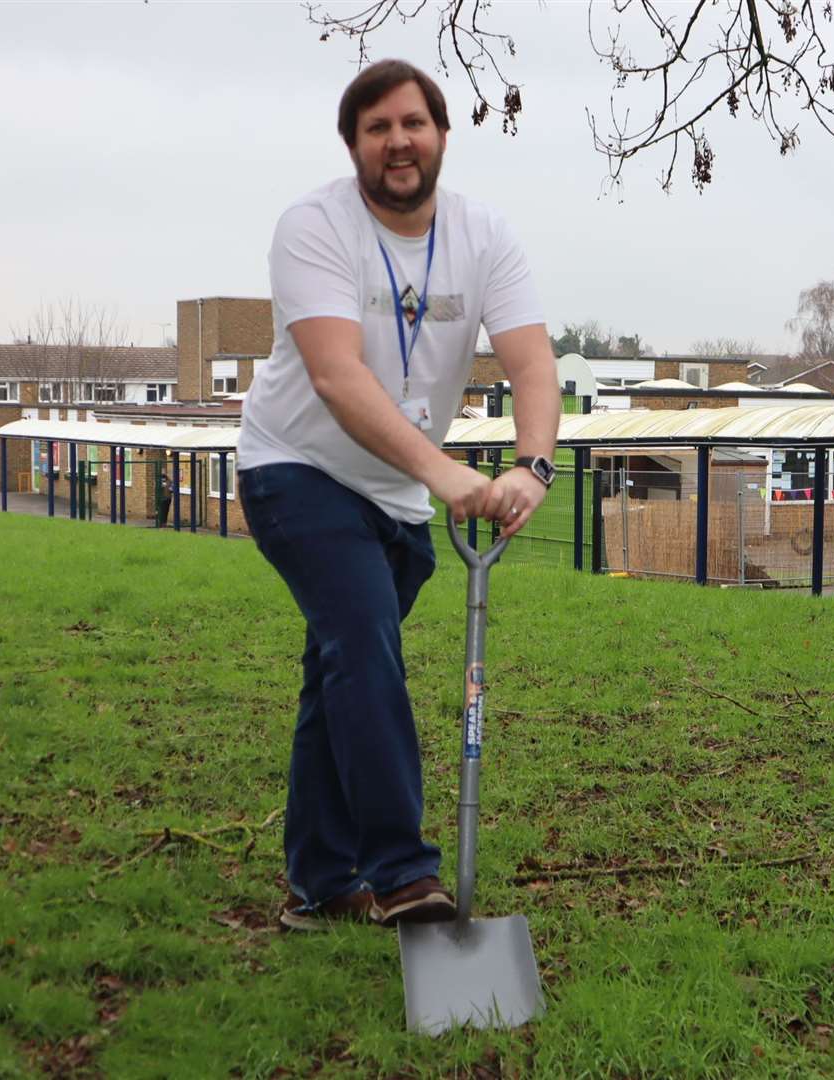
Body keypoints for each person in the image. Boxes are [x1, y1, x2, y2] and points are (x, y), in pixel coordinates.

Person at [236, 59, 560, 931]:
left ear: (442, 134)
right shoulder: (314, 227)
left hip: (400, 499)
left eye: (412, 122)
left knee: (337, 670)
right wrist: (446, 473)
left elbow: (532, 363)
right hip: (296, 468)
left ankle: (319, 885)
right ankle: (405, 875)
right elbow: (337, 377)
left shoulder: (484, 235)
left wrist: (531, 467)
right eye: (376, 128)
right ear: (354, 148)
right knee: (364, 645)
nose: (398, 141)